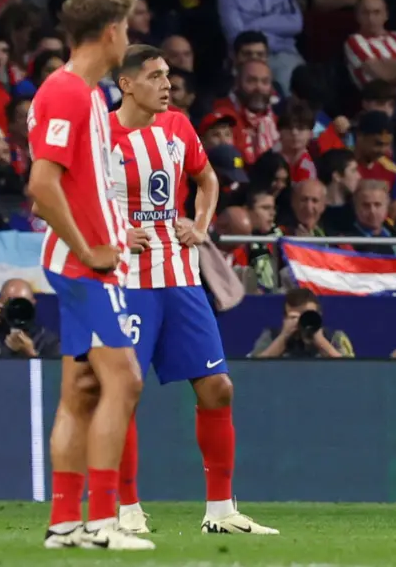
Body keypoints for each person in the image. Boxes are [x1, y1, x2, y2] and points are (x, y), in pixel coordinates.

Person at [108, 43, 277, 536]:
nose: (167, 85)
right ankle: (126, 510)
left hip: (181, 278)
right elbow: (66, 201)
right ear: (127, 84)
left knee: (218, 388)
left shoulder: (179, 126)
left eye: (169, 76)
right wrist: (116, 234)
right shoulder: (101, 135)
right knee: (123, 393)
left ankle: (221, 511)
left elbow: (206, 180)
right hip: (127, 282)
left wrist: (200, 223)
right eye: (156, 76)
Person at [26, 0, 151, 551]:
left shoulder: (86, 95)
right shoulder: (69, 92)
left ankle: (63, 524)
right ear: (109, 33)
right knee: (123, 381)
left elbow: (75, 187)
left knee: (79, 389)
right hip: (83, 269)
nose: (128, 37)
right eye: (125, 28)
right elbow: (41, 186)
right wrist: (89, 249)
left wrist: (115, 233)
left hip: (92, 260)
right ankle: (103, 522)